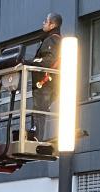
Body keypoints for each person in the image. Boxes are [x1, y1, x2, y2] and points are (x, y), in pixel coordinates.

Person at [27, 13, 63, 143]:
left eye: (45, 21)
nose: (43, 23)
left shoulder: (52, 39)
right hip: (48, 82)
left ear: (52, 24)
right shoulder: (53, 39)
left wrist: (29, 62)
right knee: (39, 109)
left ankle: (37, 137)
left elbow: (48, 60)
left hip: (46, 82)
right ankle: (35, 134)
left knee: (40, 109)